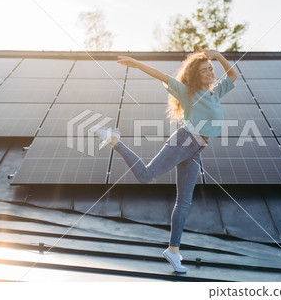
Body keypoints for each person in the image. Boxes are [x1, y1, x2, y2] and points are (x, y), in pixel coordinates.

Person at [91, 49, 238, 273]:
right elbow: (162, 76)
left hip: (196, 150)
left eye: (211, 69)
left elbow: (233, 75)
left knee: (184, 203)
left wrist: (217, 55)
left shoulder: (216, 93)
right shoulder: (188, 92)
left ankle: (173, 251)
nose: (209, 72)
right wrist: (137, 64)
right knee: (145, 176)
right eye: (204, 70)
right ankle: (114, 140)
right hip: (183, 141)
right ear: (196, 76)